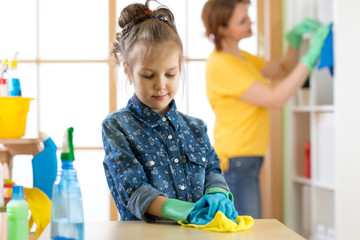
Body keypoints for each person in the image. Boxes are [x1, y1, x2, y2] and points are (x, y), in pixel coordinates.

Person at [102, 0, 238, 224]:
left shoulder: (196, 127)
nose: (161, 85)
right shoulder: (117, 126)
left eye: (170, 74)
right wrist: (185, 211)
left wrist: (218, 194)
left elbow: (212, 169)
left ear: (179, 68)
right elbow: (133, 191)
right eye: (148, 75)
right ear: (128, 69)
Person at [201, 0, 330, 218]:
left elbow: (281, 69)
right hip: (236, 163)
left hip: (245, 162)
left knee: (248, 228)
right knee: (246, 232)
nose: (251, 22)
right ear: (222, 29)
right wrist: (310, 59)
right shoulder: (222, 64)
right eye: (242, 21)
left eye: (248, 15)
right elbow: (276, 98)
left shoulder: (242, 58)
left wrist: (294, 41)